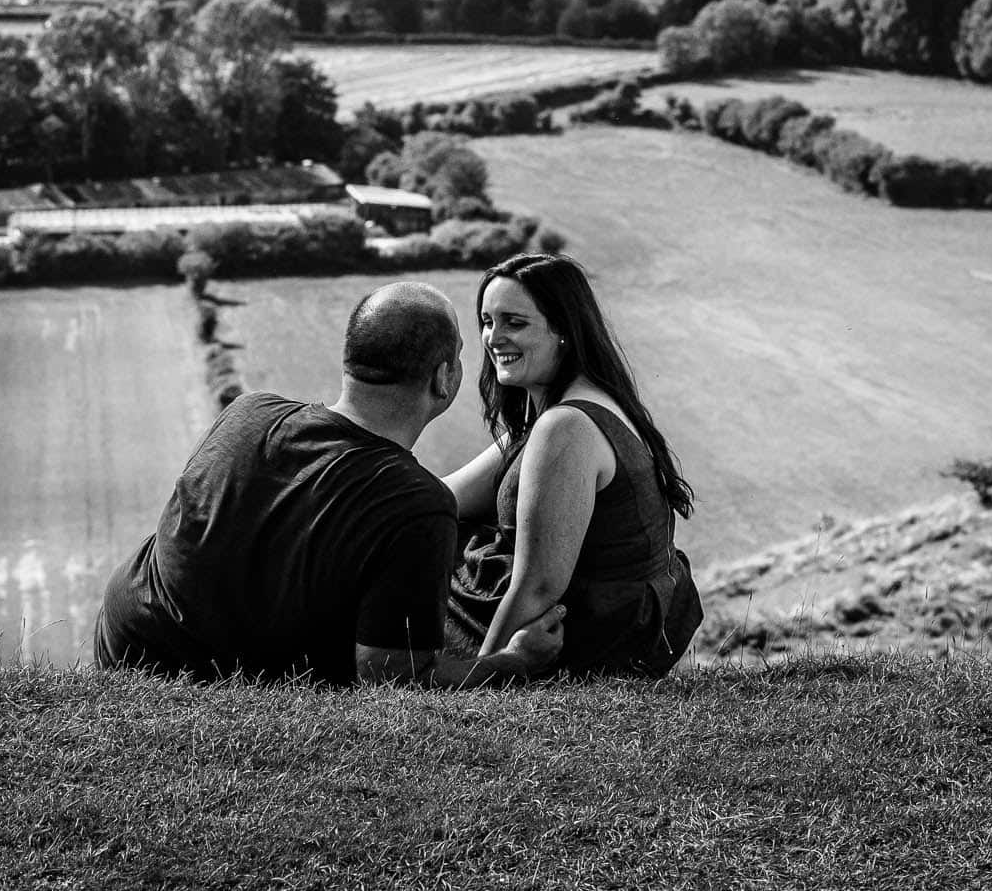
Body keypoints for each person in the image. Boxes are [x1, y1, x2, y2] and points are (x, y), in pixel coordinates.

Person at [94, 281, 565, 686]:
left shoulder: (249, 412)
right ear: (443, 378)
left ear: (351, 358)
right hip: (205, 682)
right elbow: (391, 675)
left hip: (128, 637)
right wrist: (514, 662)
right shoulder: (417, 505)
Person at [444, 254, 703, 677]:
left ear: (563, 329)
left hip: (583, 631)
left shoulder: (566, 427)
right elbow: (444, 499)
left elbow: (539, 584)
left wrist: (485, 673)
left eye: (515, 322)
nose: (494, 337)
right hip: (599, 615)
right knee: (433, 534)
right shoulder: (566, 407)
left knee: (426, 570)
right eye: (488, 321)